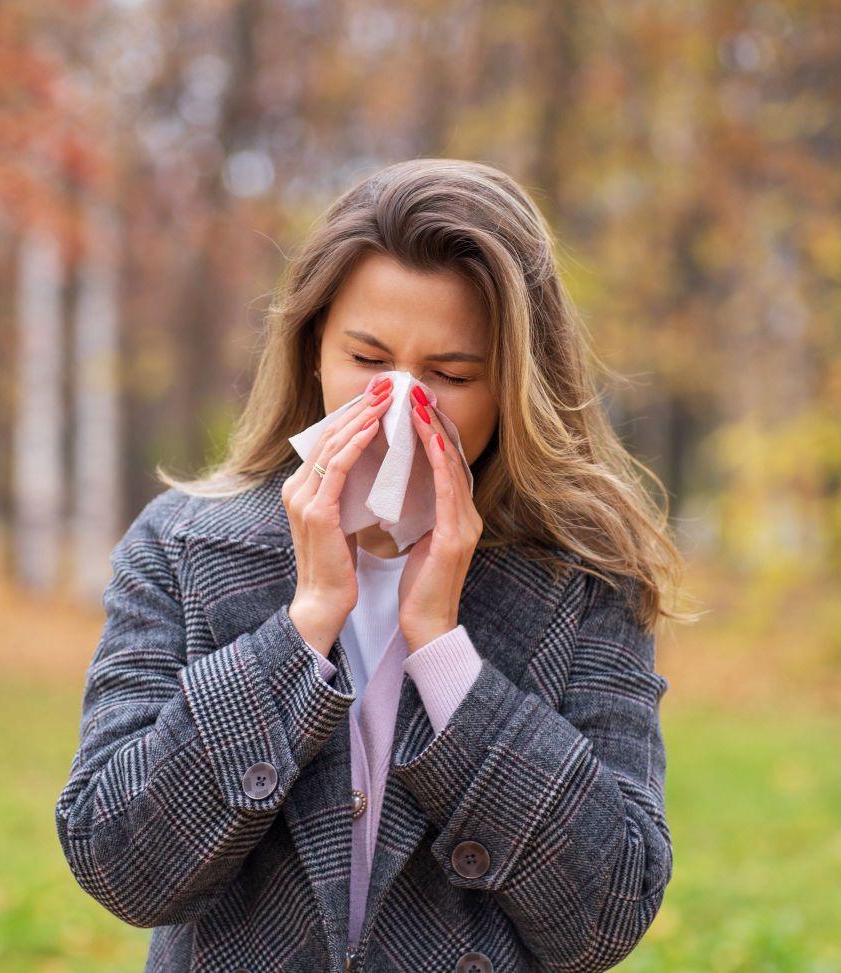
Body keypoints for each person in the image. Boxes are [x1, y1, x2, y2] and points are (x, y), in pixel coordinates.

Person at [54, 158, 688, 973]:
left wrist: (442, 651)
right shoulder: (182, 546)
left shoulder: (586, 579)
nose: (398, 405)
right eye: (366, 359)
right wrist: (304, 623)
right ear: (312, 346)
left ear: (514, 387)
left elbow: (608, 912)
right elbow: (121, 864)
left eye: (450, 375)